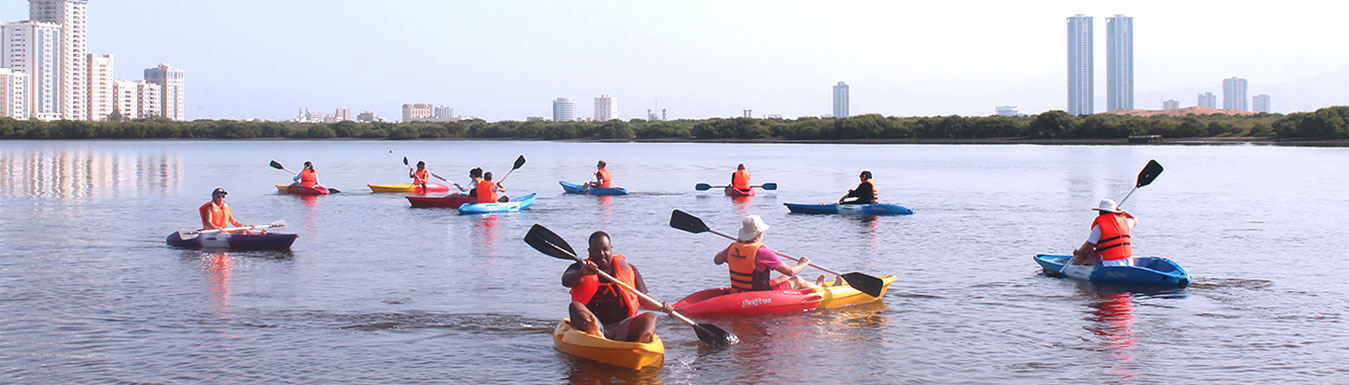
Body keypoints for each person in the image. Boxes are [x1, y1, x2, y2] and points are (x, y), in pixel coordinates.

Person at [562, 231, 672, 343]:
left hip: (623, 325)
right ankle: (595, 332)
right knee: (574, 306)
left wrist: (661, 307)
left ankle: (643, 342)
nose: (602, 254)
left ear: (611, 249)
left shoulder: (629, 269)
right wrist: (582, 273)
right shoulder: (580, 268)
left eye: (605, 249)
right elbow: (566, 281)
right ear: (590, 252)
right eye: (596, 251)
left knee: (651, 317)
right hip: (593, 323)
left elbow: (645, 299)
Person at [713, 215, 820, 292]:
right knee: (796, 280)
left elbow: (717, 260)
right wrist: (803, 263)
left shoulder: (732, 247)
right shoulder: (762, 252)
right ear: (759, 234)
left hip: (739, 290)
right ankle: (820, 289)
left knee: (784, 278)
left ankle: (816, 286)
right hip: (759, 294)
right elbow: (791, 271)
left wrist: (737, 244)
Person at [1070, 199, 1138, 267]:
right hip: (1129, 262)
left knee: (1088, 253)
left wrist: (1078, 253)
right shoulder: (1126, 222)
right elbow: (1134, 219)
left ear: (1100, 212)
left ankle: (1076, 268)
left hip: (1110, 264)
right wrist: (1122, 212)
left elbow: (1088, 248)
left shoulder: (1099, 227)